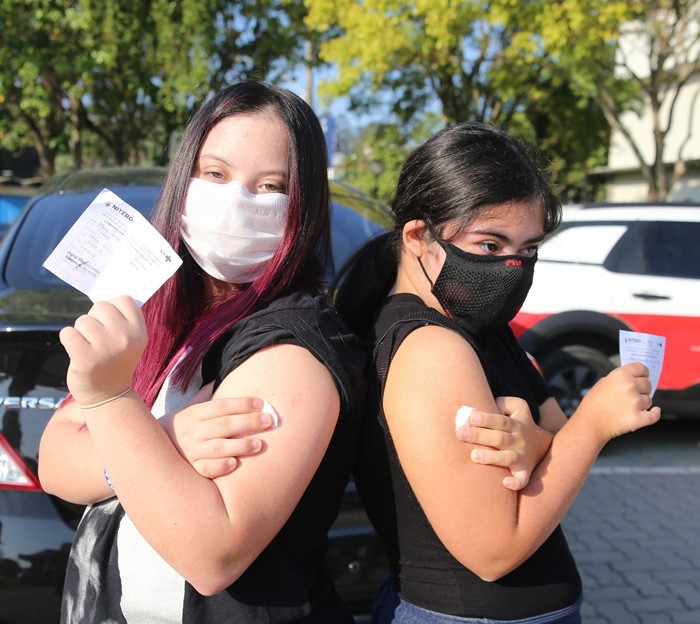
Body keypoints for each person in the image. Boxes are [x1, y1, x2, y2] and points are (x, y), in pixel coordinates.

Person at [37, 81, 368, 623]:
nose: (237, 200)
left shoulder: (296, 341)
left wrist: (111, 402)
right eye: (215, 174)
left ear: (303, 205)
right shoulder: (156, 304)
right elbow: (54, 460)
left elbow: (212, 554)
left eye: (270, 185)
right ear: (184, 176)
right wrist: (165, 437)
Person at [332, 122, 661, 624]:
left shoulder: (478, 324)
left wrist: (538, 445)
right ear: (419, 236)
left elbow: (552, 433)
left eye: (528, 250)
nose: (512, 267)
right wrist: (592, 424)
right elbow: (493, 551)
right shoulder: (431, 350)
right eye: (490, 246)